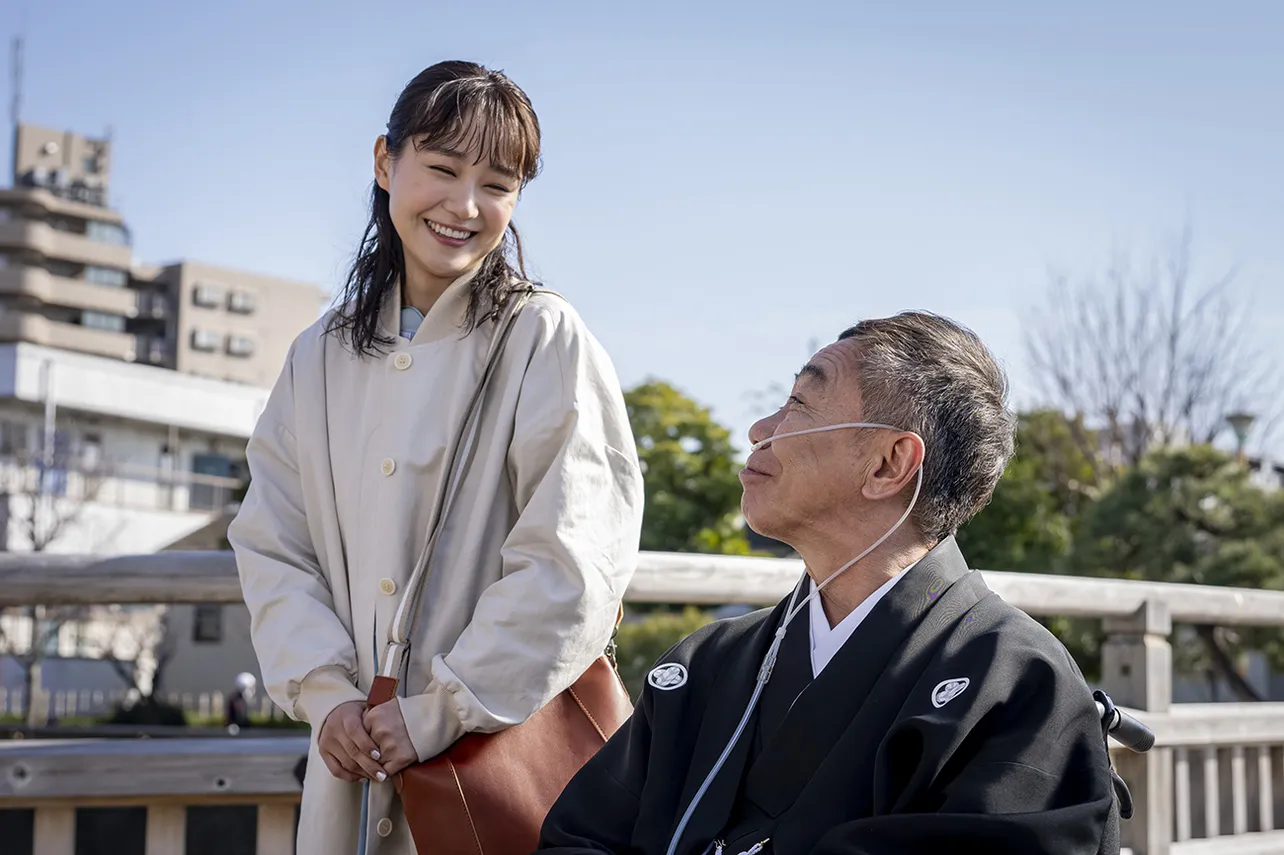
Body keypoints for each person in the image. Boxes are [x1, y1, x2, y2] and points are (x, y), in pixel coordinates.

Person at [228, 61, 644, 855]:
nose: (465, 205)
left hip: (489, 749)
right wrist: (329, 695)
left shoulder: (541, 336)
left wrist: (439, 710)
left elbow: (576, 558)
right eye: (444, 169)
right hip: (350, 755)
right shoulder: (318, 354)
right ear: (385, 162)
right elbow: (273, 542)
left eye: (498, 183)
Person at [538, 312, 1118, 855]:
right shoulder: (711, 663)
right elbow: (579, 836)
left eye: (798, 404)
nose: (760, 428)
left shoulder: (1017, 682)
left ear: (889, 464)